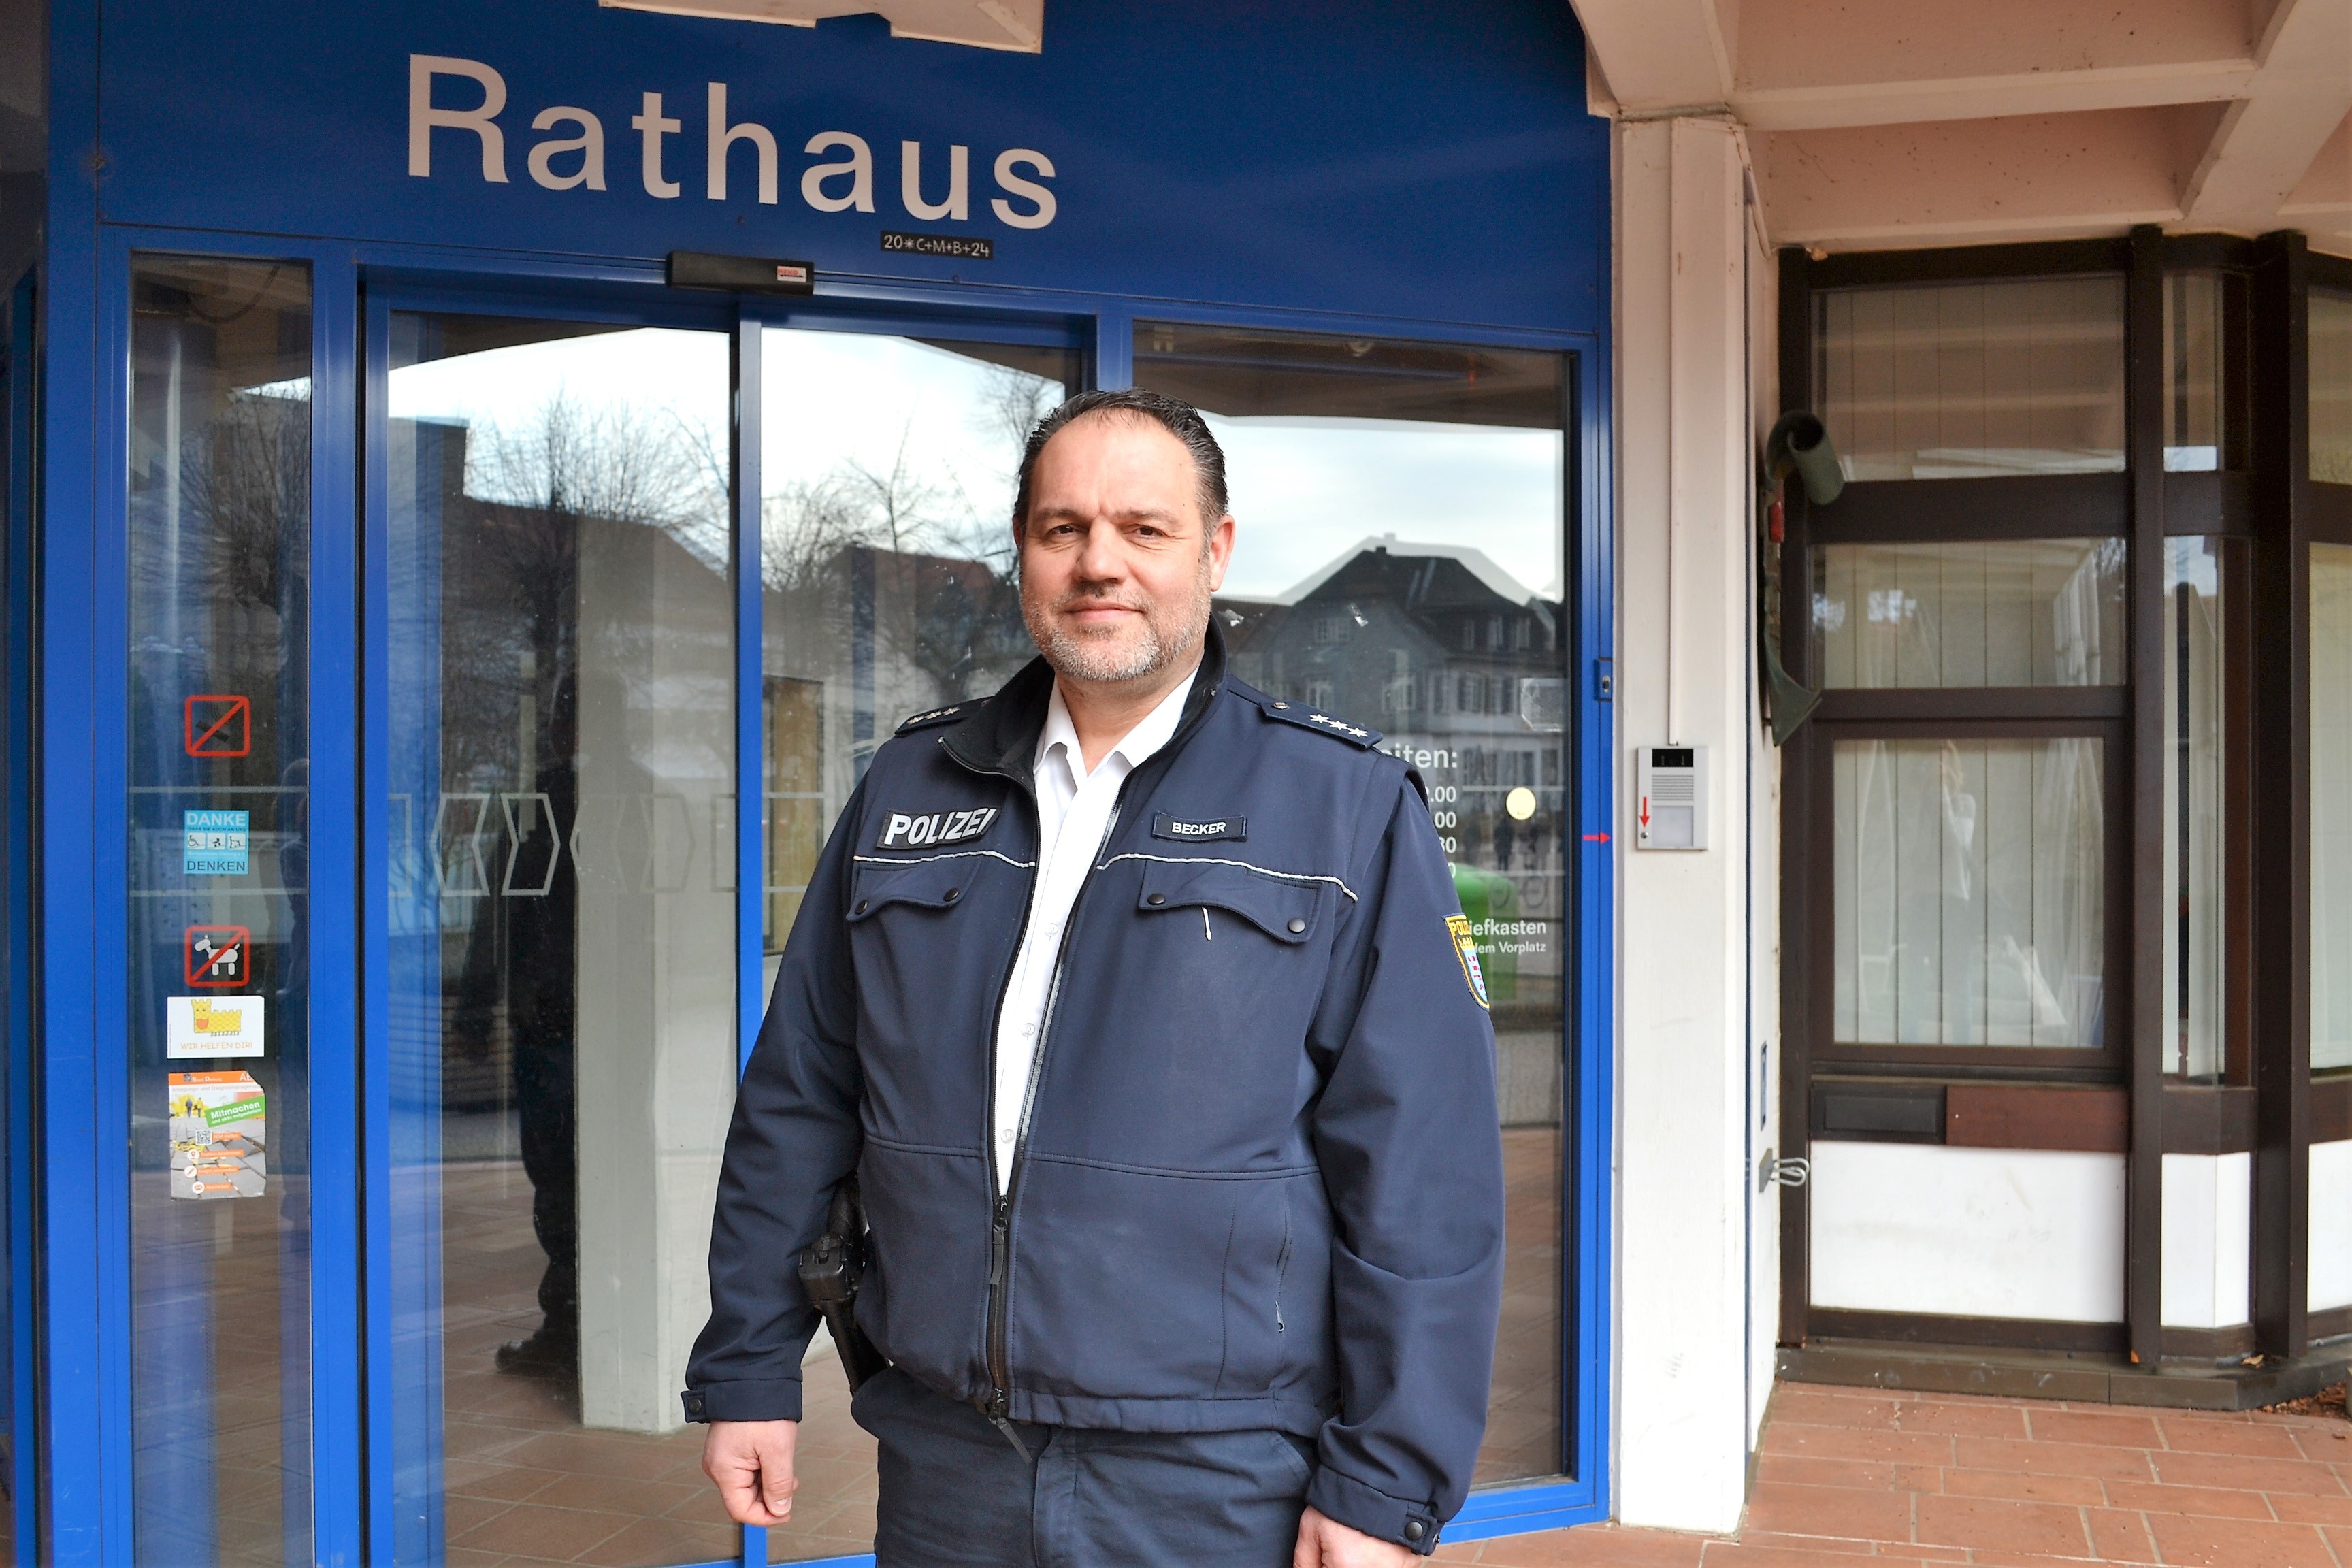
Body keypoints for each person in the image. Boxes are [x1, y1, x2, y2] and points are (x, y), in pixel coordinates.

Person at [683, 389, 1505, 1565]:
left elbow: (1424, 1174)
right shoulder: (909, 788)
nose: (1098, 564)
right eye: (1062, 528)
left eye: (1143, 529)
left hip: (1217, 1477)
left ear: (1215, 550)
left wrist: (1386, 1478)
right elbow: (799, 1099)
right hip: (947, 1455)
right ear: (1023, 552)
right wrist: (749, 1366)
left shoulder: (1344, 806)